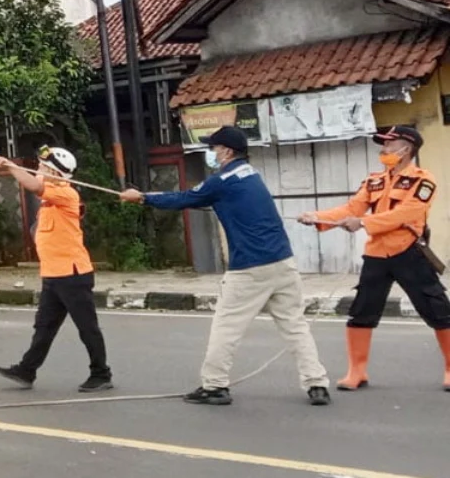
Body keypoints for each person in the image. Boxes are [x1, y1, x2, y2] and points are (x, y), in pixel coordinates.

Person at [120, 126, 331, 406]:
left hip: (250, 268)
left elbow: (184, 199)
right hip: (283, 262)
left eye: (215, 148)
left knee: (226, 327)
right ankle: (317, 384)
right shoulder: (251, 174)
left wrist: (143, 197)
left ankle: (215, 386)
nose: (212, 153)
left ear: (228, 151)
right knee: (295, 327)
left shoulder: (221, 181)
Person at [299, 125, 450, 393]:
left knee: (438, 309)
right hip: (376, 255)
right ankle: (357, 372)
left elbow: (405, 213)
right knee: (361, 311)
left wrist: (364, 222)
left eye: (390, 145)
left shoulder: (423, 181)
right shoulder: (373, 181)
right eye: (384, 145)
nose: (384, 150)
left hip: (409, 253)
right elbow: (351, 209)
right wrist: (318, 217)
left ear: (407, 149)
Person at [0, 145, 114, 393]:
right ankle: (27, 370)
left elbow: (34, 185)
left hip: (72, 274)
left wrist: (10, 165)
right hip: (53, 275)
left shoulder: (65, 194)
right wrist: (6, 164)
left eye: (42, 167)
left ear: (54, 173)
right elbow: (36, 184)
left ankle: (101, 374)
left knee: (87, 327)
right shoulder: (48, 199)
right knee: (44, 326)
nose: (37, 170)